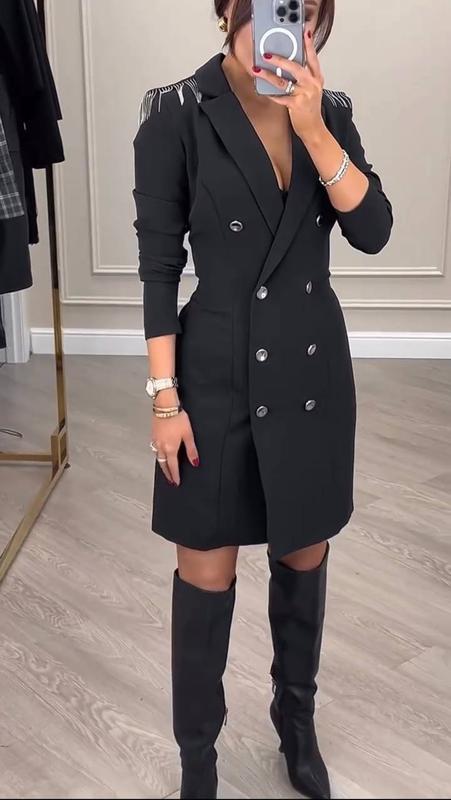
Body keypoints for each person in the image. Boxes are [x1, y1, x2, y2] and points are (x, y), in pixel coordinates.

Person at [132, 0, 393, 797]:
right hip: (213, 379)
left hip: (310, 378)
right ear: (227, 10)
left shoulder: (329, 112)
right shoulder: (176, 113)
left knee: (303, 557)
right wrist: (164, 401)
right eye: (276, 6)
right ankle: (198, 761)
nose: (291, 28)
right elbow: (158, 270)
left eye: (306, 12)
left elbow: (373, 229)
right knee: (204, 578)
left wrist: (312, 129)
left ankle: (295, 723)